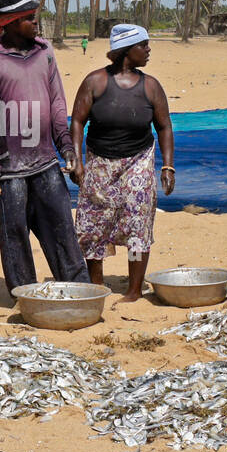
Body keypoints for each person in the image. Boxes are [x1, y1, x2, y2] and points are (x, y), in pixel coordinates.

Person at [0, 0, 90, 295]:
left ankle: (78, 290)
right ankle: (24, 296)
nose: (36, 23)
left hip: (46, 161)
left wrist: (65, 144)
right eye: (29, 18)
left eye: (35, 16)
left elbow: (56, 103)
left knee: (62, 229)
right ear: (8, 23)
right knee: (14, 236)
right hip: (10, 168)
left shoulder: (45, 53)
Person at [70, 23, 175, 303]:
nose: (149, 50)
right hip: (99, 162)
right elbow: (78, 121)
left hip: (138, 161)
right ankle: (96, 285)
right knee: (93, 222)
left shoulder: (150, 86)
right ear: (127, 51)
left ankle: (133, 289)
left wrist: (167, 166)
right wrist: (77, 161)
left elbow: (164, 127)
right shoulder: (95, 82)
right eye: (144, 45)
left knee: (138, 221)